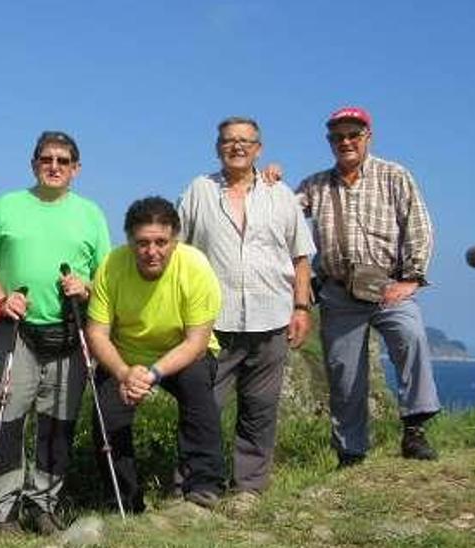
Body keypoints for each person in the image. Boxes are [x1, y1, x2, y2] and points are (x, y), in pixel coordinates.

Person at [0, 130, 112, 534]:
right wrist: (1, 299)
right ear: (34, 164)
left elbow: (105, 273)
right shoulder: (7, 205)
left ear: (76, 169)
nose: (54, 167)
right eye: (46, 159)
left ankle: (44, 504)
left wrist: (85, 286)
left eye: (62, 161)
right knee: (6, 420)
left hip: (69, 332)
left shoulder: (91, 213)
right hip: (14, 332)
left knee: (57, 424)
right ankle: (1, 509)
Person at [176, 116, 315, 498]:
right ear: (217, 146)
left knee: (260, 410)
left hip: (270, 318)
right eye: (229, 140)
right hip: (211, 323)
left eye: (245, 140)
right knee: (202, 409)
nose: (237, 146)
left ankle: (248, 490)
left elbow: (301, 257)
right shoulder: (198, 191)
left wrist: (301, 308)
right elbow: (178, 252)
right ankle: (196, 487)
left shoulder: (280, 194)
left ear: (259, 147)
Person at [296, 106, 440, 468]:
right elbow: (283, 214)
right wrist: (265, 179)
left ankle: (415, 428)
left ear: (367, 137)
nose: (345, 142)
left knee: (411, 337)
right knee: (345, 375)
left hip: (387, 285)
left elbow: (418, 226)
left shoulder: (394, 176)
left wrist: (411, 278)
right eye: (338, 137)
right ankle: (350, 452)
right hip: (338, 291)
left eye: (353, 135)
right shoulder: (315, 185)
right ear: (330, 142)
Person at [85, 196, 225, 512]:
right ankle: (123, 498)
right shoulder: (111, 266)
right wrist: (123, 373)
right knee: (106, 411)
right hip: (126, 356)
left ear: (175, 240)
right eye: (143, 243)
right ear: (130, 241)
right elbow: (96, 333)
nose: (152, 251)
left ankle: (203, 485)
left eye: (161, 242)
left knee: (197, 389)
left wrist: (153, 373)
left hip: (182, 353)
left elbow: (197, 341)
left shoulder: (195, 267)